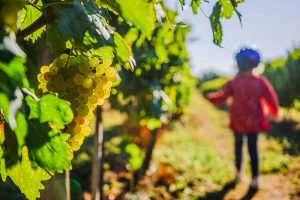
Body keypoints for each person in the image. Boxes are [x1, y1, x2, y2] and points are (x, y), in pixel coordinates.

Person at [207, 47, 279, 188]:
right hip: (254, 121)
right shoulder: (260, 81)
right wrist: (275, 112)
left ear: (238, 64)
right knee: (253, 148)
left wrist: (210, 97)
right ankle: (255, 179)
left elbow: (222, 96)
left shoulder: (233, 82)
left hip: (237, 121)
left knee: (238, 146)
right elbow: (271, 98)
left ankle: (238, 173)